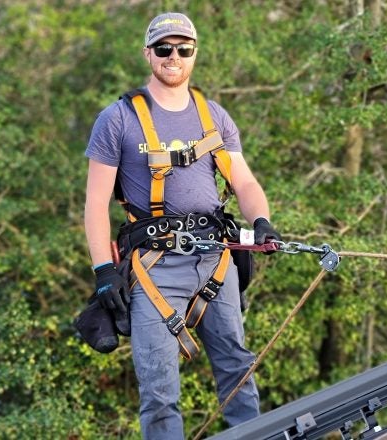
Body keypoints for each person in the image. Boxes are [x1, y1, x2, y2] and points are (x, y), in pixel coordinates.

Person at [84, 11, 281, 439]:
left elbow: (243, 180)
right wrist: (103, 270)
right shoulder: (117, 119)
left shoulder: (214, 116)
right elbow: (95, 203)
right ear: (148, 54)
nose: (174, 56)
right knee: (159, 393)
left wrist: (261, 221)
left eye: (183, 48)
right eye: (164, 48)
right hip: (154, 266)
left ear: (194, 53)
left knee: (238, 371)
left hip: (215, 259)